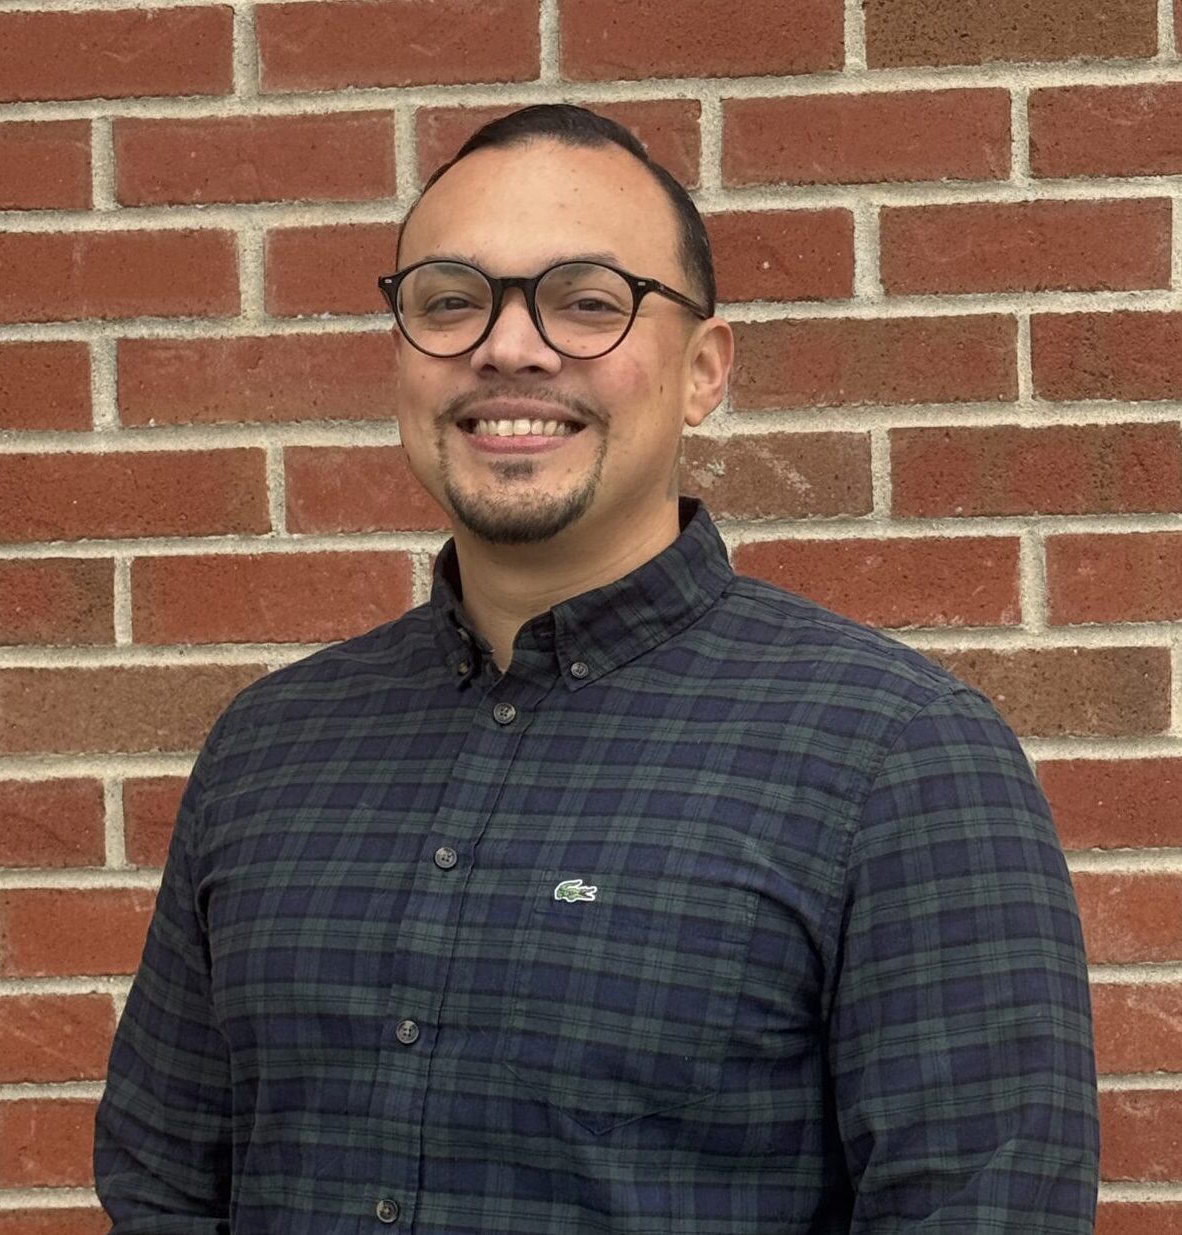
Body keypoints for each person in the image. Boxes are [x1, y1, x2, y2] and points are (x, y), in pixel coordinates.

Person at [95, 104, 1099, 1234]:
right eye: (449, 300)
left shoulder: (894, 757)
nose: (506, 347)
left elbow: (979, 1210)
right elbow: (162, 1180)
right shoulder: (270, 747)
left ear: (702, 369)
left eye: (585, 302)